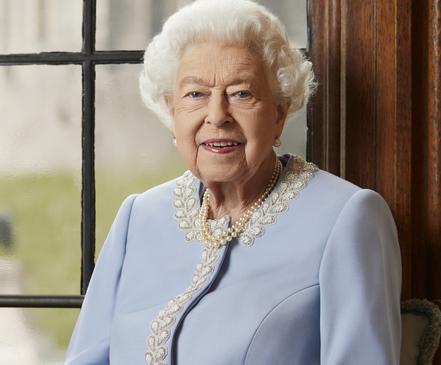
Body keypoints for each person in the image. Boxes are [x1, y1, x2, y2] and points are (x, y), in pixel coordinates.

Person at [65, 0, 402, 364]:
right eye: (195, 94)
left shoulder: (347, 218)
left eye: (241, 93)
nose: (216, 116)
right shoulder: (138, 217)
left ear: (279, 112)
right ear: (172, 110)